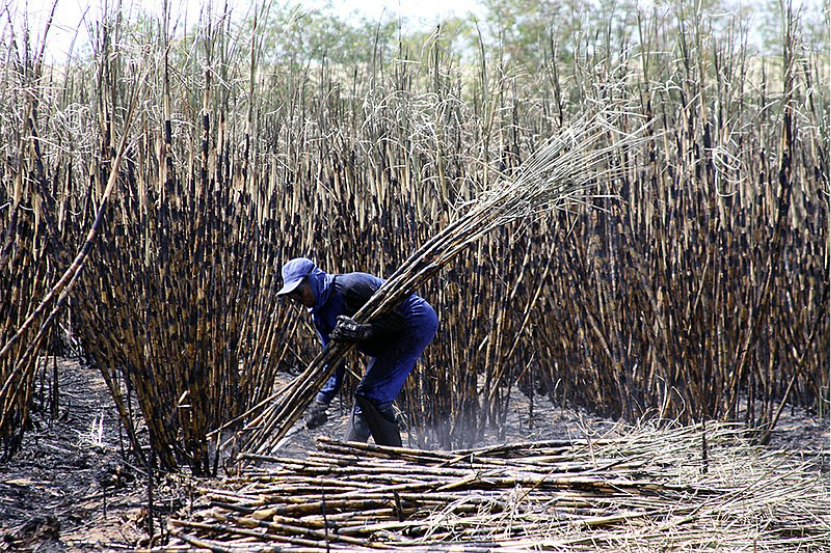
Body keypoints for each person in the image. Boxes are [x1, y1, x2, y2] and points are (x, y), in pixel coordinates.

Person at [277, 257, 438, 447]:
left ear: (313, 279)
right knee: (364, 397)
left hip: (416, 322)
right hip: (388, 335)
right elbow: (333, 359)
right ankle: (349, 453)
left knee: (372, 394)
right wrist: (321, 402)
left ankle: (395, 457)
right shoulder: (320, 316)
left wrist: (362, 331)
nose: (297, 298)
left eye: (299, 291)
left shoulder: (352, 286)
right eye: (292, 296)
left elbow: (397, 321)